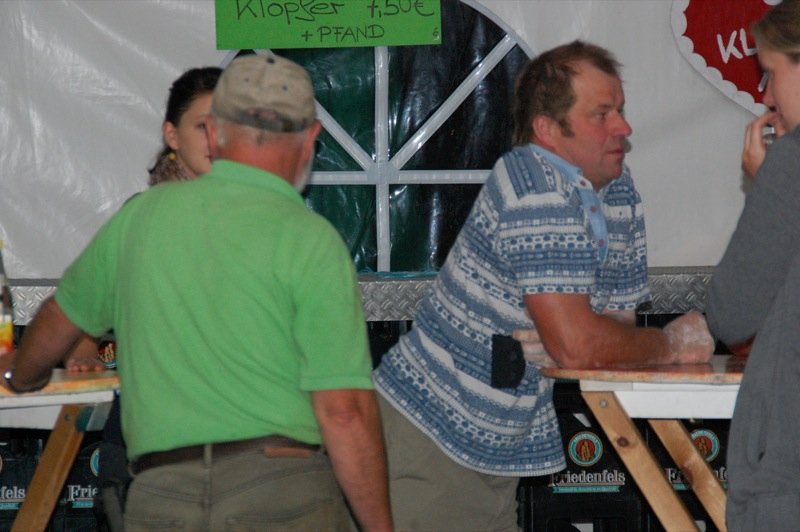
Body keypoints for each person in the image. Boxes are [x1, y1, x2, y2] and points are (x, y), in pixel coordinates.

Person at [5, 54, 392, 531]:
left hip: (161, 495)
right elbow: (345, 413)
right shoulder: (311, 240)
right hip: (281, 492)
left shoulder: (141, 218)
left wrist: (21, 377)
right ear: (311, 138)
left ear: (215, 133)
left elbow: (57, 320)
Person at [372, 40, 714, 531]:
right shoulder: (530, 178)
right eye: (602, 115)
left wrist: (600, 337)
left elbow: (613, 332)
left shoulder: (619, 190)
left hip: (494, 445)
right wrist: (670, 344)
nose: (624, 128)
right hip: (433, 432)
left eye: (620, 110)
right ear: (547, 130)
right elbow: (582, 346)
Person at [62, 65, 222, 532]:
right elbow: (81, 310)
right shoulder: (141, 218)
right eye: (204, 125)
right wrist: (83, 349)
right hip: (148, 444)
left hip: (239, 445)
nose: (218, 139)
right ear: (172, 136)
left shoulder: (266, 219)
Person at [704, 1, 800, 529]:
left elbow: (732, 313)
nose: (764, 96)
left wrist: (769, 183)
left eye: (770, 74)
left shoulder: (791, 164)